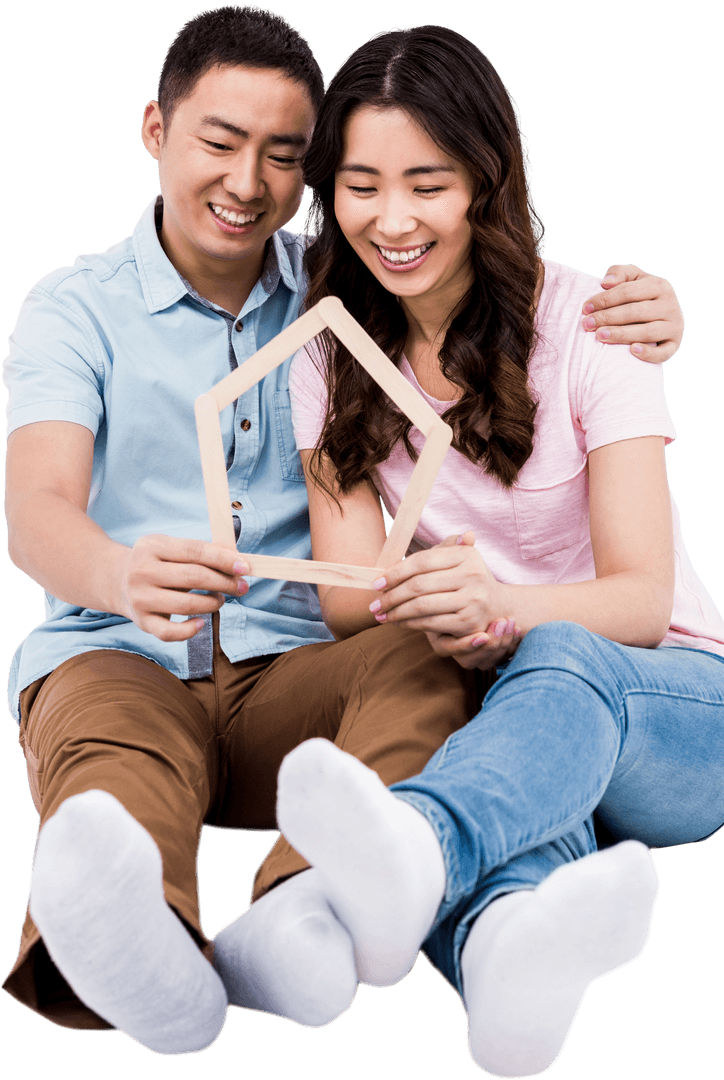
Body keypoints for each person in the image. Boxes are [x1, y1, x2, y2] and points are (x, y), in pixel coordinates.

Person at [2, 5, 687, 1059]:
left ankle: (305, 913)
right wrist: (119, 570)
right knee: (110, 757)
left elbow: (493, 286)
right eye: (219, 143)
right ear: (155, 131)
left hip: (300, 677)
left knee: (420, 659)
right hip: (123, 653)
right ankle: (149, 965)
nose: (246, 183)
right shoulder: (71, 307)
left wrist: (645, 313)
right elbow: (35, 510)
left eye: (284, 157)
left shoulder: (348, 288)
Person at [229, 24, 724, 1079]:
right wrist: (436, 608)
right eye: (360, 186)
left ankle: (415, 849)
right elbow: (349, 602)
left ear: (484, 180)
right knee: (469, 738)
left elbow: (641, 599)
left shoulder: (594, 324)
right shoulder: (328, 354)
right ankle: (502, 960)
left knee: (548, 668)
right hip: (514, 726)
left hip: (676, 709)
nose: (392, 221)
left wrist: (505, 608)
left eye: (426, 184)